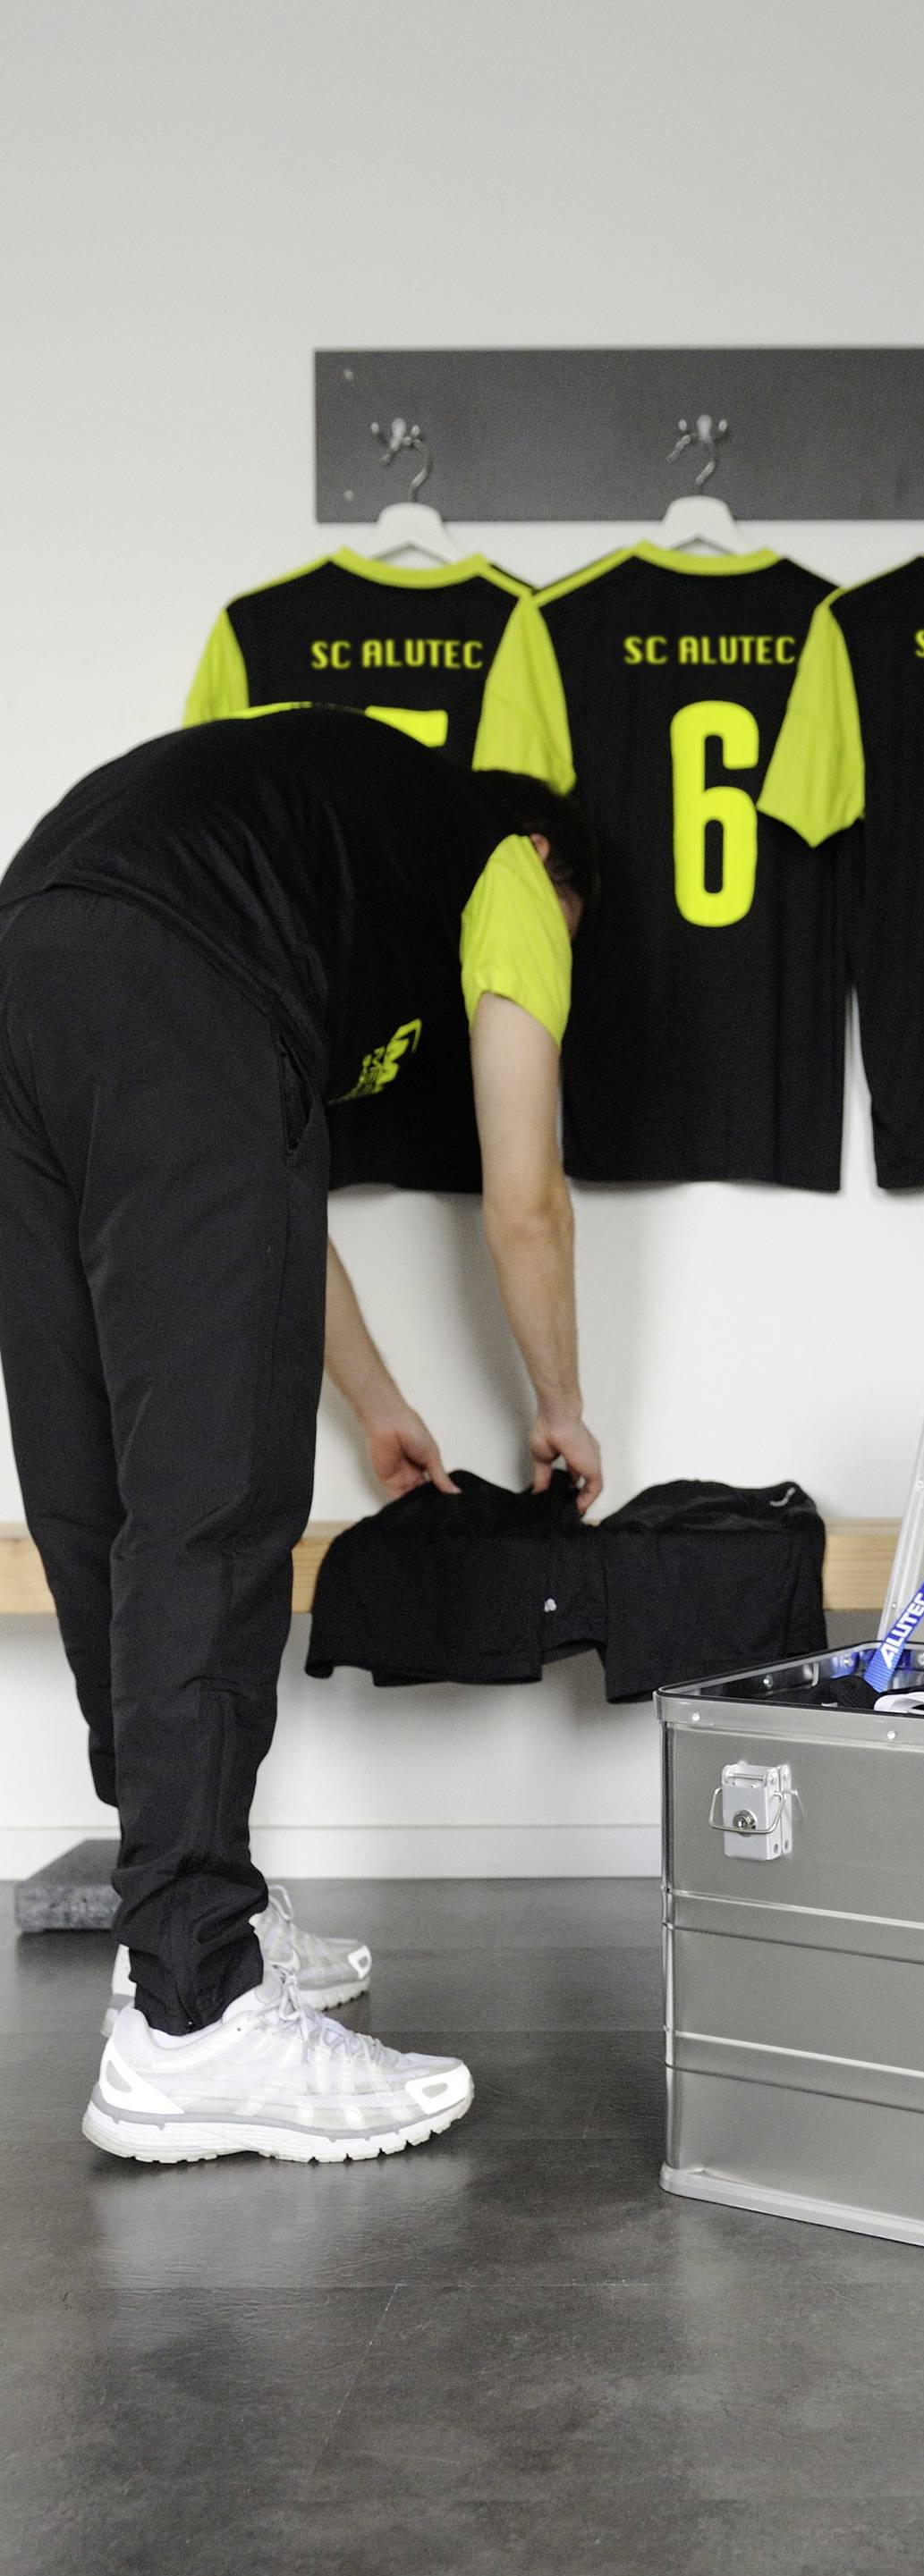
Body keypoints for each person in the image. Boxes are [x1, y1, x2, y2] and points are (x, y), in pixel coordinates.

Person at [0, 707, 603, 2164]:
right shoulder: (501, 862)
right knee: (207, 1511)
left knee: (103, 1503)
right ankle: (196, 2019)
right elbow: (525, 1195)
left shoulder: (307, 847)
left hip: (23, 958)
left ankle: (185, 1923)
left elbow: (261, 1176)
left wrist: (377, 1401)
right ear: (546, 861)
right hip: (167, 986)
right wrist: (560, 1405)